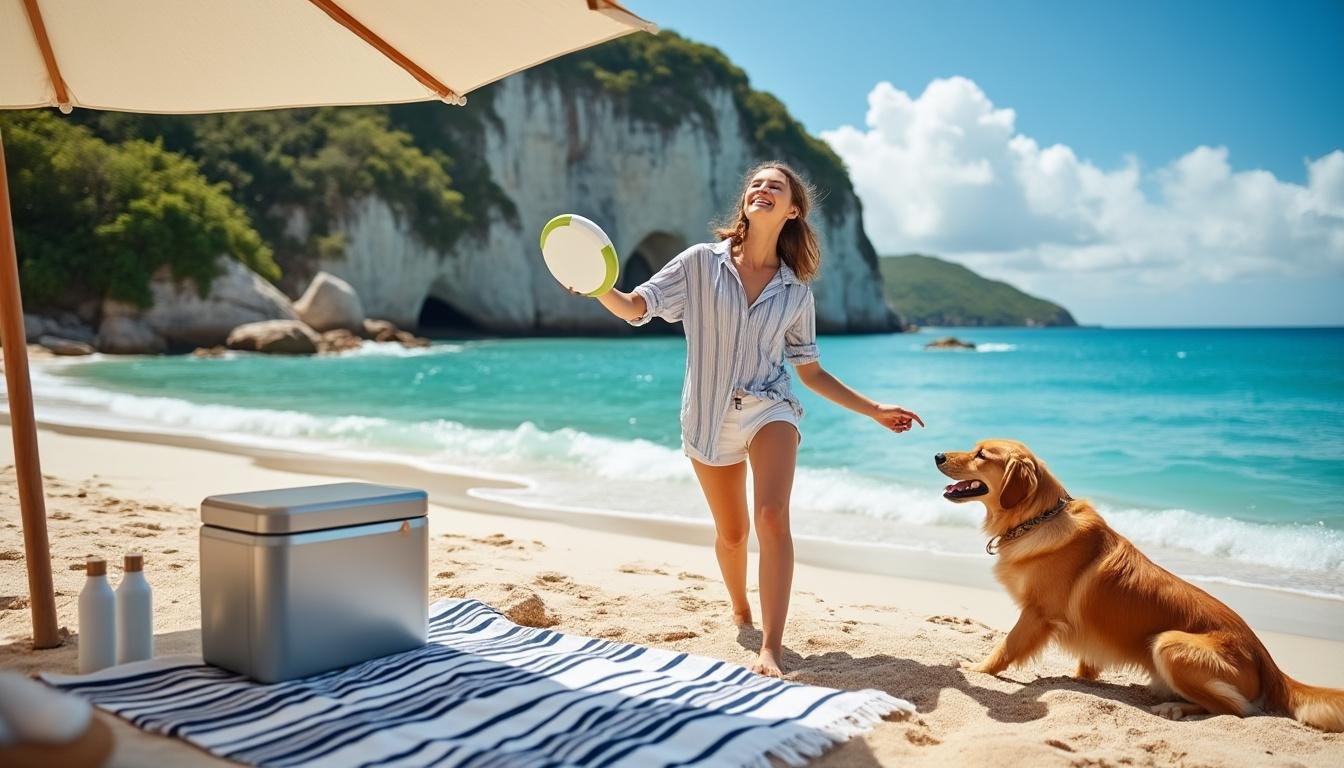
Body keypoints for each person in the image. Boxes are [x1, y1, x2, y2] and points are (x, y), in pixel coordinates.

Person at [583, 161, 923, 677]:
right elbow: (635, 308)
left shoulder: (795, 292)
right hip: (708, 415)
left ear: (793, 211)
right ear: (746, 201)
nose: (762, 189)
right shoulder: (700, 263)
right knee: (734, 535)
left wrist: (873, 410)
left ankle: (771, 647)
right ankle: (739, 606)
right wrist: (597, 286)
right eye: (756, 183)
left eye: (775, 186)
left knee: (771, 516)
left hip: (770, 406)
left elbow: (810, 372)